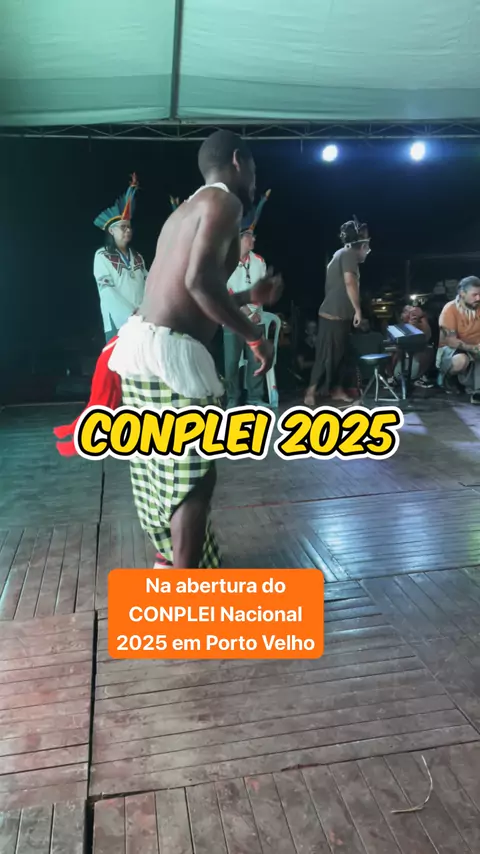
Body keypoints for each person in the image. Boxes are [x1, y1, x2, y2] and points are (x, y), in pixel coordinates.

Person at [106, 130, 283, 569]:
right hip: (171, 357)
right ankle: (185, 592)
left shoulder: (185, 210)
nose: (255, 180)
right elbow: (198, 284)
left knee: (161, 469)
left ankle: (169, 562)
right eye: (254, 169)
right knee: (194, 479)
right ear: (238, 161)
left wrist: (248, 297)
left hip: (140, 348)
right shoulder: (225, 203)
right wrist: (254, 336)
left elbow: (189, 293)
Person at [304, 218, 371, 407]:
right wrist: (358, 310)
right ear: (361, 245)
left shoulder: (343, 254)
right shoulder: (348, 254)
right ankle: (310, 391)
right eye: (366, 245)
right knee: (325, 356)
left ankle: (337, 389)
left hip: (342, 316)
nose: (367, 249)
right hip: (332, 314)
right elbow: (350, 282)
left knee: (342, 356)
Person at [223, 191, 272, 407]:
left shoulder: (259, 261)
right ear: (240, 238)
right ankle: (232, 399)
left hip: (255, 317)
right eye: (250, 236)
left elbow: (262, 289)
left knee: (255, 358)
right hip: (233, 317)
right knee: (232, 361)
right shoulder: (226, 260)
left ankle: (255, 397)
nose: (253, 239)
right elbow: (227, 291)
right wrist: (246, 313)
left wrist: (255, 313)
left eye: (253, 235)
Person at [93, 174, 148, 343]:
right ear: (111, 231)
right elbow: (108, 291)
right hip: (118, 321)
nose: (128, 230)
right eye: (123, 227)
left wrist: (146, 311)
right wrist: (131, 314)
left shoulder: (137, 257)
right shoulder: (102, 255)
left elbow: (148, 283)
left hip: (143, 319)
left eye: (129, 227)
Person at [436, 276, 480, 403]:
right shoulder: (450, 309)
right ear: (462, 293)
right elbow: (451, 341)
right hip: (452, 349)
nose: (478, 298)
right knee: (461, 360)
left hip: (476, 347)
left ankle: (477, 391)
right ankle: (448, 378)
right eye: (474, 295)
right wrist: (473, 348)